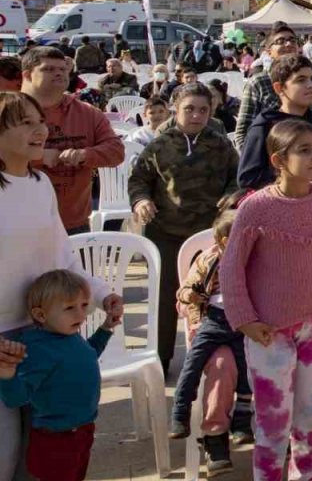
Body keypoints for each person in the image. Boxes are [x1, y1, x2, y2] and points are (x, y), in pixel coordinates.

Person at [0, 91, 123, 478]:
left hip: (45, 341)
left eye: (41, 122)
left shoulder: (39, 184)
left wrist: (102, 294)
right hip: (3, 346)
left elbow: (62, 256)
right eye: (26, 123)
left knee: (36, 459)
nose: (41, 131)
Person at [221, 119, 312, 481]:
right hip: (269, 331)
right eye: (303, 150)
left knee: (311, 415)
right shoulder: (255, 208)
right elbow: (232, 269)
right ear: (278, 160)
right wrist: (244, 319)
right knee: (273, 422)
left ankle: (305, 475)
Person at [129, 82, 239, 374]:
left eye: (203, 110)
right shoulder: (159, 145)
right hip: (166, 231)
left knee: (212, 299)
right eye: (189, 109)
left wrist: (232, 193)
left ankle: (212, 359)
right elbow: (139, 180)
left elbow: (236, 178)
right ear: (175, 109)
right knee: (166, 299)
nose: (196, 115)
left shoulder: (221, 144)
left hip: (209, 236)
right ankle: (161, 360)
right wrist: (141, 201)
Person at [0, 270, 119, 481]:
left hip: (82, 431)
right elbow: (16, 398)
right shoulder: (38, 349)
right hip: (56, 440)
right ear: (40, 315)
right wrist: (7, 374)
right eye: (69, 308)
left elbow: (89, 354)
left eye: (84, 305)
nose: (81, 315)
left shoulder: (69, 335)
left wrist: (106, 329)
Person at [167, 207, 250, 474]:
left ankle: (261, 428)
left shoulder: (258, 259)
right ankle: (215, 438)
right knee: (222, 366)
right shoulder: (209, 259)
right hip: (212, 325)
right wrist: (195, 315)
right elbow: (184, 296)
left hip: (250, 327)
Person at [20, 47, 125, 232]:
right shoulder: (8, 111)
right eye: (49, 69)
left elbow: (116, 151)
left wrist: (85, 154)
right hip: (16, 224)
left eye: (63, 69)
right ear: (27, 75)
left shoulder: (87, 113)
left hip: (74, 224)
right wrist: (40, 157)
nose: (59, 73)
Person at [237, 54, 312, 190]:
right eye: (300, 80)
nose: (310, 85)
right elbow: (248, 179)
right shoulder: (266, 125)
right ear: (279, 88)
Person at [233, 24, 312, 149]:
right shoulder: (258, 83)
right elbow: (243, 133)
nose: (288, 44)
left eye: (292, 40)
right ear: (269, 51)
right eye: (280, 41)